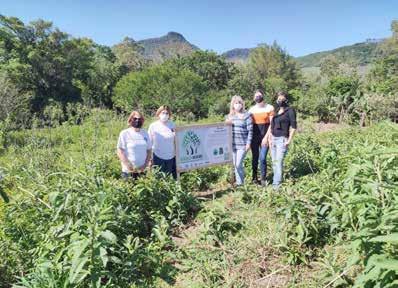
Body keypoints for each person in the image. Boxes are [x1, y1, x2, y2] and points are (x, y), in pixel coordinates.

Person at [269, 91, 297, 189]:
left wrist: (289, 140)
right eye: (279, 99)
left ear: (286, 99)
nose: (280, 100)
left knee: (279, 162)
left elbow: (294, 127)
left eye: (282, 99)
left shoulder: (290, 111)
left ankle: (276, 186)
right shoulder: (276, 111)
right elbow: (272, 126)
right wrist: (270, 139)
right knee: (274, 162)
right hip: (274, 139)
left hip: (282, 139)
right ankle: (275, 182)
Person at [248, 89, 275, 185]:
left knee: (262, 158)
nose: (258, 97)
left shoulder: (269, 108)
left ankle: (263, 178)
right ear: (253, 98)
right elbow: (249, 124)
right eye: (256, 96)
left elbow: (272, 124)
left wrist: (266, 137)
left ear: (263, 96)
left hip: (265, 136)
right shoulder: (251, 110)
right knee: (255, 157)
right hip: (254, 137)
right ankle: (254, 178)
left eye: (259, 95)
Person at [226, 95, 253, 186]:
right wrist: (227, 122)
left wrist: (248, 144)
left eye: (239, 103)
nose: (237, 105)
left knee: (238, 164)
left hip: (242, 144)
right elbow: (225, 129)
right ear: (232, 105)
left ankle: (240, 183)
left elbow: (250, 131)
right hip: (233, 145)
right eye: (236, 103)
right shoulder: (230, 116)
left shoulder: (247, 116)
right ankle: (240, 183)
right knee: (236, 165)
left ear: (242, 104)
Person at [117, 111, 152, 180]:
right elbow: (120, 151)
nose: (137, 121)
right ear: (130, 120)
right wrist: (128, 164)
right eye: (135, 118)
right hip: (128, 171)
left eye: (139, 119)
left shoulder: (145, 133)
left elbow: (149, 150)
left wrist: (145, 165)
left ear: (142, 121)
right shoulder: (125, 133)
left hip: (142, 170)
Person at [148, 105, 177, 179]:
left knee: (167, 177)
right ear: (159, 114)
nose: (165, 115)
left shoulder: (172, 125)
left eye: (167, 113)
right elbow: (149, 142)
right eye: (163, 113)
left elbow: (176, 140)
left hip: (170, 156)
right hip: (157, 156)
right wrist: (149, 158)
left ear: (169, 115)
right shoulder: (153, 126)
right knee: (158, 178)